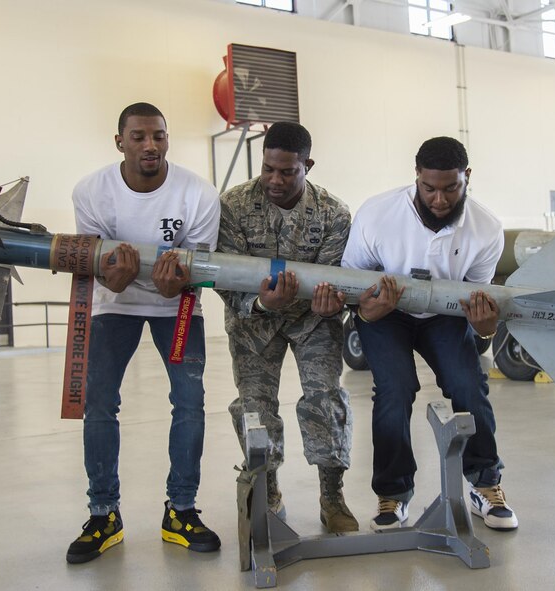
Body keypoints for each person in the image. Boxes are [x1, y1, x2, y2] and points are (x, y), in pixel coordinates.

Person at [66, 102, 222, 563]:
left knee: (190, 401)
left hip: (178, 306)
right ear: (120, 142)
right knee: (99, 403)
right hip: (113, 305)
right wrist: (112, 279)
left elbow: (201, 267)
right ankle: (103, 515)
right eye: (138, 137)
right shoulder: (91, 191)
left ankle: (181, 510)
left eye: (158, 135)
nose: (150, 145)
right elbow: (96, 263)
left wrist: (179, 282)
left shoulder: (197, 193)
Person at [341, 136, 518, 531]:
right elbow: (353, 285)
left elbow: (478, 298)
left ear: (467, 177)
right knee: (395, 388)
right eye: (429, 188)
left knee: (469, 385)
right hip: (386, 313)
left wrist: (484, 328)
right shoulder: (377, 214)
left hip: (445, 315)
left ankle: (485, 483)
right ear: (416, 177)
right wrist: (367, 311)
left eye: (451, 188)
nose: (439, 199)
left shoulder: (487, 229)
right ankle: (394, 492)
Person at [217, 121, 358, 533]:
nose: (275, 180)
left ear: (307, 165)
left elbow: (337, 277)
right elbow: (226, 277)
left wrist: (332, 305)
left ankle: (332, 496)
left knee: (325, 399)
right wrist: (262, 302)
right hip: (253, 319)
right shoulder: (234, 205)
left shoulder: (333, 213)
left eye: (287, 172)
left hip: (313, 320)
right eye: (268, 169)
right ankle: (269, 490)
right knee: (255, 408)